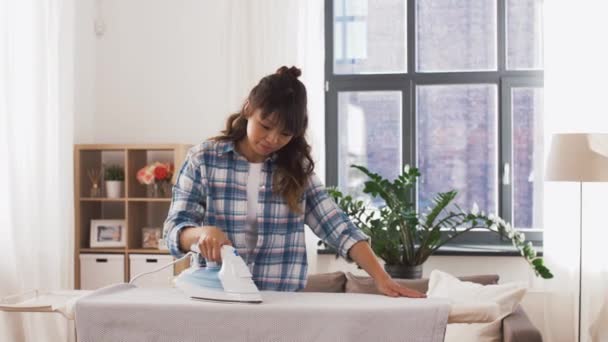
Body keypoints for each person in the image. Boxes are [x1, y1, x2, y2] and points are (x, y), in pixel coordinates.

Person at [164, 66, 425, 298]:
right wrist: (203, 234)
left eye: (285, 134)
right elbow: (174, 230)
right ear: (248, 110)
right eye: (265, 126)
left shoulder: (296, 170)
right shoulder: (204, 159)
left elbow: (337, 227)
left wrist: (382, 278)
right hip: (217, 299)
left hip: (281, 304)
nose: (273, 139)